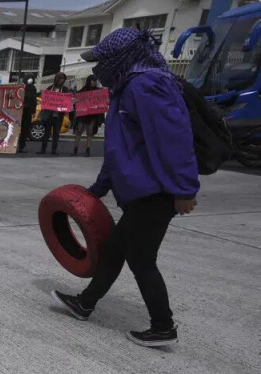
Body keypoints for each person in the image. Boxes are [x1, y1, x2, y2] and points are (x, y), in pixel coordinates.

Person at [51, 28, 200, 347]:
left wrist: (185, 189)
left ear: (120, 58)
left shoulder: (147, 86)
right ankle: (85, 303)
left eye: (101, 61)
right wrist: (99, 187)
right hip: (141, 191)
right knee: (116, 250)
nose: (96, 69)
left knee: (141, 258)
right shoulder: (126, 87)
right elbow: (121, 148)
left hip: (156, 192)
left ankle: (163, 327)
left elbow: (174, 139)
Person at [37, 72, 69, 155]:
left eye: (63, 79)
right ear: (56, 79)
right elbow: (44, 98)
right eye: (60, 79)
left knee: (56, 133)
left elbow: (67, 101)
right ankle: (43, 149)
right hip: (49, 114)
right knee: (47, 132)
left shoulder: (65, 90)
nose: (61, 81)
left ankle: (54, 150)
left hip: (59, 115)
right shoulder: (50, 88)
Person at [72, 75, 102, 157]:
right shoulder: (83, 90)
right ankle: (75, 149)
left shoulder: (98, 91)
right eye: (92, 80)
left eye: (95, 81)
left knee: (90, 132)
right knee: (79, 131)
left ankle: (88, 150)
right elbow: (77, 98)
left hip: (92, 116)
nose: (94, 82)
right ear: (89, 81)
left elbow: (102, 100)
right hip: (83, 115)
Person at [17, 76, 37, 153]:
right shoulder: (21, 87)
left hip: (28, 110)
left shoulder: (33, 88)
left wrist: (33, 111)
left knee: (25, 129)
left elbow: (34, 100)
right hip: (19, 110)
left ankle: (21, 146)